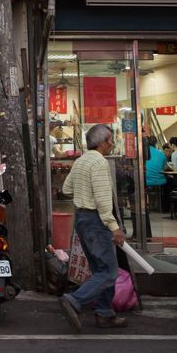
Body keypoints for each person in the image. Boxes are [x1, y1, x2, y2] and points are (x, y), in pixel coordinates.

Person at [59, 124, 129, 332]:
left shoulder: (80, 161)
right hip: (96, 220)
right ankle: (74, 300)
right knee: (108, 271)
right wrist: (114, 226)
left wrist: (83, 194)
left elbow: (66, 188)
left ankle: (105, 313)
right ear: (102, 142)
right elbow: (103, 200)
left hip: (82, 219)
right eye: (110, 140)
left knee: (101, 269)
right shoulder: (99, 162)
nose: (112, 144)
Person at [145, 136, 168, 211]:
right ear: (156, 143)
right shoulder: (161, 153)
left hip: (146, 180)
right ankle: (159, 206)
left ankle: (149, 205)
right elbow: (164, 168)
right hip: (160, 181)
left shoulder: (144, 153)